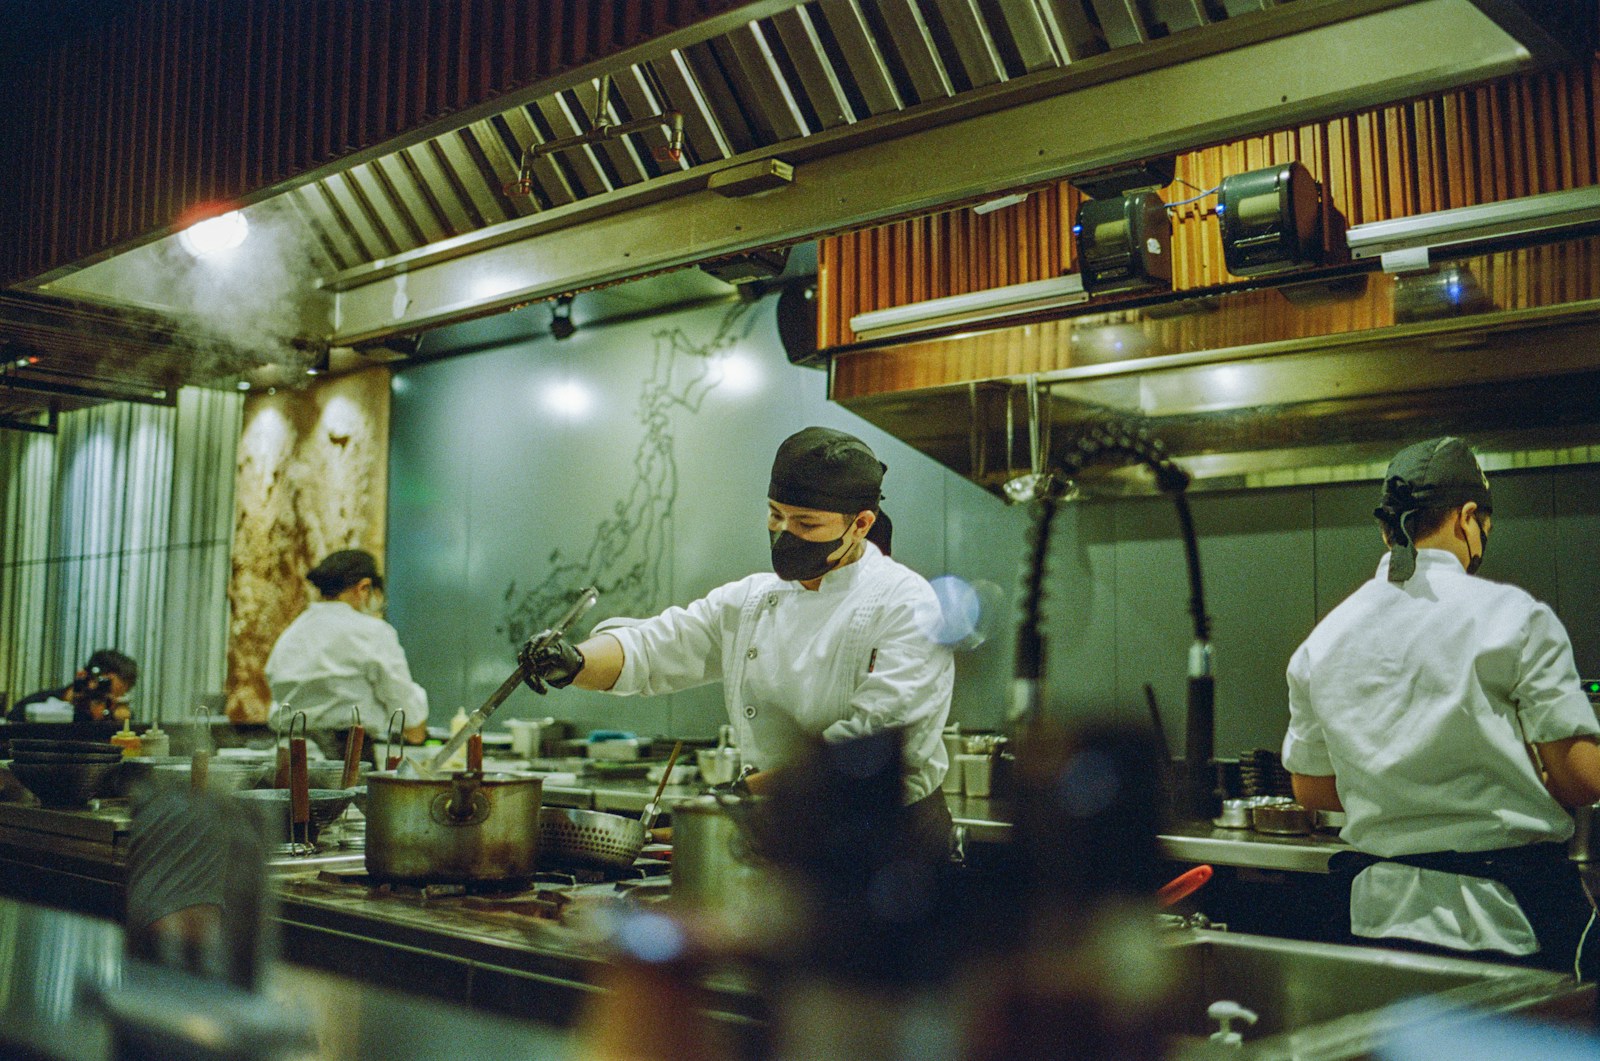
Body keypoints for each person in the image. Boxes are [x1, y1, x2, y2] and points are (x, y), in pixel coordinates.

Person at [522, 426, 956, 857]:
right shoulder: (752, 599)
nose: (785, 533)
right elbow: (655, 647)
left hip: (887, 844)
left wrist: (736, 797)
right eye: (775, 515)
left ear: (861, 524)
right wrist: (574, 662)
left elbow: (862, 753)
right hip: (784, 829)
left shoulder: (907, 605)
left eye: (806, 523)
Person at [1282, 436, 1600, 972]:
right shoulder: (1515, 617)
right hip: (1509, 913)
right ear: (1467, 517)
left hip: (1377, 914)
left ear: (1387, 528)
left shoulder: (1325, 638)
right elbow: (1581, 780)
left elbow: (1311, 788)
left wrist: (1400, 782)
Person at [266, 549, 428, 762]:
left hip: (287, 760)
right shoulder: (372, 632)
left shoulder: (291, 634)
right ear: (364, 588)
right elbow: (409, 718)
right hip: (347, 760)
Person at [7, 648, 139, 723]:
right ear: (83, 676)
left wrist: (115, 718)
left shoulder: (112, 716)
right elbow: (14, 718)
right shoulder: (40, 702)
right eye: (104, 687)